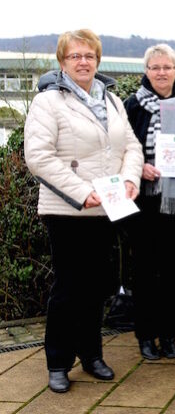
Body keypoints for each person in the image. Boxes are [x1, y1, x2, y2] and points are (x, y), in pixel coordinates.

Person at [23, 29, 143, 393]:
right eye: (75, 56)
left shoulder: (112, 100)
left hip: (106, 209)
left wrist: (129, 180)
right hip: (67, 210)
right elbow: (39, 157)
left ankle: (91, 355)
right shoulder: (48, 102)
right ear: (62, 62)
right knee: (68, 287)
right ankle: (58, 362)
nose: (82, 62)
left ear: (98, 60)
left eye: (89, 56)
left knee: (95, 287)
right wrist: (83, 192)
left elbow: (131, 147)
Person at [124, 44, 175, 360]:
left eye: (167, 67)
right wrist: (138, 167)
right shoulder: (130, 108)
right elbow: (118, 150)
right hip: (143, 202)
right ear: (146, 71)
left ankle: (168, 334)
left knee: (174, 272)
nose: (161, 73)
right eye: (154, 67)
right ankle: (145, 335)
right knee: (144, 272)